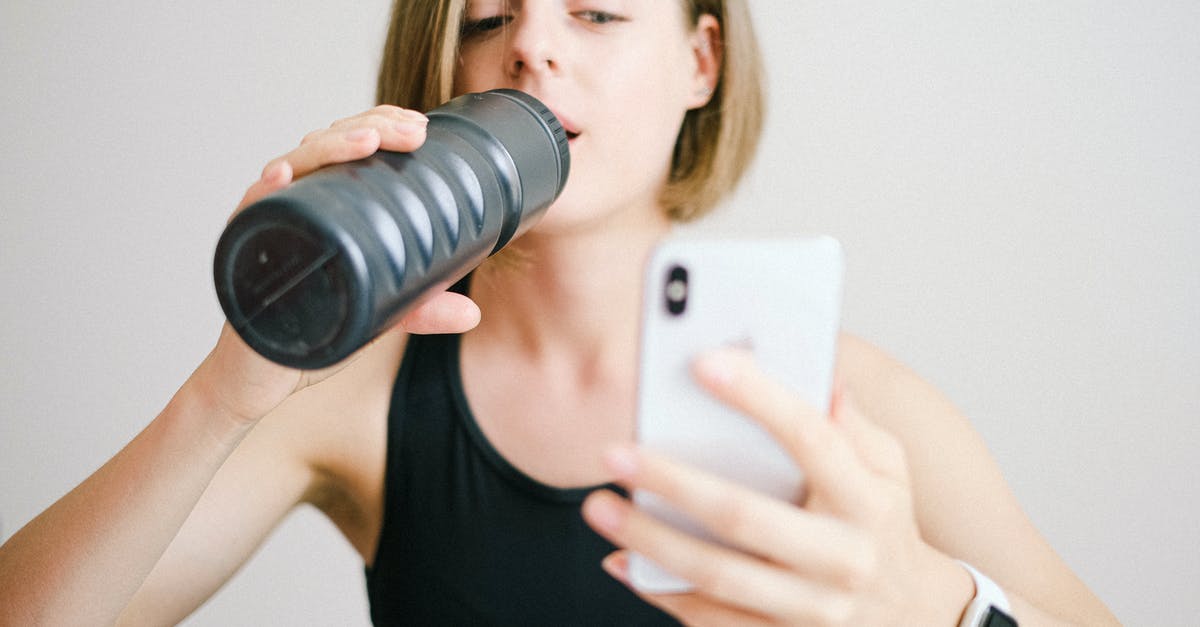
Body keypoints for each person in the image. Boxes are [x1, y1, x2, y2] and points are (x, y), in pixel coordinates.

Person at [0, 1, 1119, 625]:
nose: (533, 43)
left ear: (700, 59)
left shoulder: (849, 405)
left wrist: (936, 608)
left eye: (595, 11)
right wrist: (224, 391)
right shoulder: (354, 399)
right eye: (491, 14)